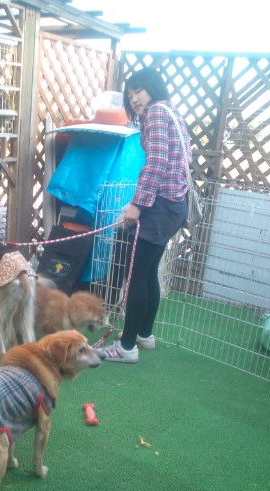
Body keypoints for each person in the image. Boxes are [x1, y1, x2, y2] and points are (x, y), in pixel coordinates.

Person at [101, 67, 192, 363]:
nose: (134, 99)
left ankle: (126, 347)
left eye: (138, 91)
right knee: (149, 270)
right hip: (175, 206)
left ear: (152, 87)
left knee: (137, 275)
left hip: (158, 207)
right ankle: (144, 334)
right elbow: (182, 161)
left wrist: (137, 205)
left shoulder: (154, 114)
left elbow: (156, 163)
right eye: (130, 96)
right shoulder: (173, 113)